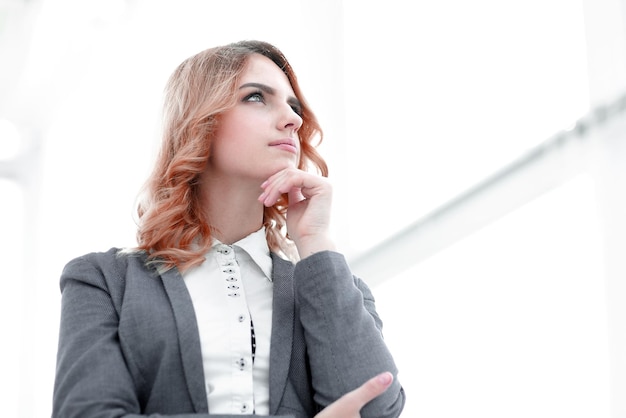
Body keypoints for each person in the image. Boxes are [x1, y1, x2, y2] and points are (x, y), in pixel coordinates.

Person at [52, 40, 405, 418]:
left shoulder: (333, 286)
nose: (293, 119)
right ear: (199, 120)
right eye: (256, 97)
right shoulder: (103, 282)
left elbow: (375, 410)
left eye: (294, 106)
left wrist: (314, 240)